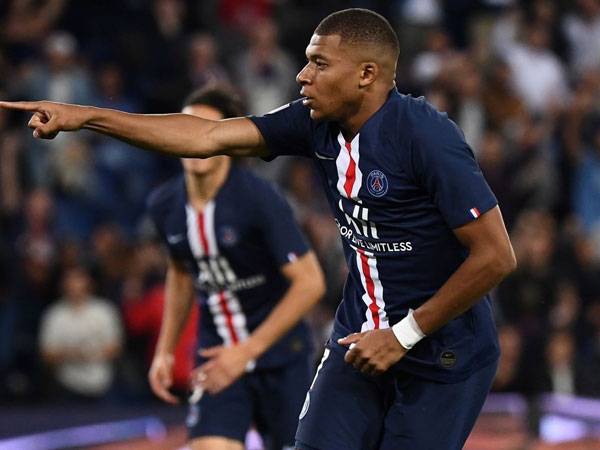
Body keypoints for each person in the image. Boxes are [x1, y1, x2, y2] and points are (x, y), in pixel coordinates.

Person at [0, 8, 517, 450]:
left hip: (442, 351)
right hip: (359, 336)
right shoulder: (314, 123)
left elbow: (496, 256)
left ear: (366, 74)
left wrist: (404, 334)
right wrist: (87, 116)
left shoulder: (426, 136)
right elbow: (206, 135)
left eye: (319, 63)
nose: (302, 75)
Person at [145, 86, 325, 450]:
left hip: (281, 356)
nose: (193, 140)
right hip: (216, 355)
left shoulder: (259, 199)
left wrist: (245, 352)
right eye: (185, 129)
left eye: (205, 130)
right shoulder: (164, 205)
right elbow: (181, 271)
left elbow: (310, 283)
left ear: (227, 139)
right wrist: (165, 350)